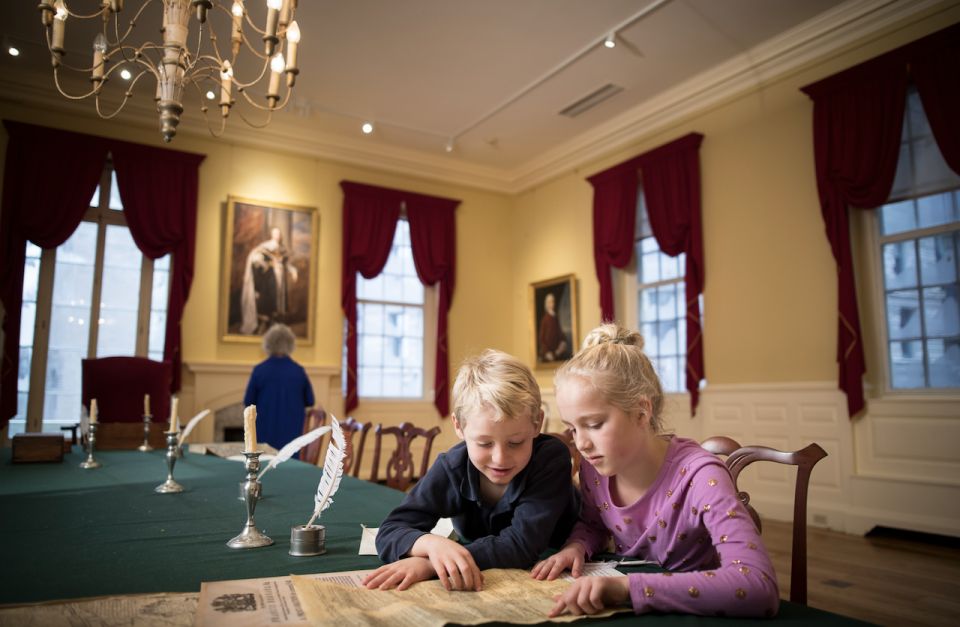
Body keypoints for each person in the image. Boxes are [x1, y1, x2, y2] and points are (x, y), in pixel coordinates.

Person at [531, 323, 780, 618]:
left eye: (595, 424)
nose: (581, 443)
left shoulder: (701, 476)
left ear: (641, 411)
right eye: (572, 428)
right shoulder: (594, 469)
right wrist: (576, 546)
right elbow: (594, 523)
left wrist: (626, 589)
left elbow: (757, 585)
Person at [363, 349, 581, 592]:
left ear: (536, 423)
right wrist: (433, 546)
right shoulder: (451, 466)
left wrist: (430, 566)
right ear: (459, 426)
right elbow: (391, 530)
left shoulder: (550, 458)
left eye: (516, 442)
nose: (500, 458)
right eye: (484, 443)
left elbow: (522, 545)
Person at [242, 324, 315, 454]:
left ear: (268, 344)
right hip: (292, 438)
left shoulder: (259, 370)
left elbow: (248, 401)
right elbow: (310, 400)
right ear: (291, 344)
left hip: (264, 435)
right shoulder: (298, 371)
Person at [240, 226, 299, 335]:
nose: (277, 236)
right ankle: (267, 324)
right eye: (275, 233)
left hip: (281, 278)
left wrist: (293, 271)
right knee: (270, 300)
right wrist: (264, 264)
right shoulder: (265, 247)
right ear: (272, 235)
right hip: (269, 278)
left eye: (279, 234)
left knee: (280, 301)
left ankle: (277, 323)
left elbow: (286, 263)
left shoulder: (282, 249)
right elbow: (256, 258)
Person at [538, 292, 569, 361]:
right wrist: (546, 352)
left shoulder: (555, 317)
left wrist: (563, 342)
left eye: (552, 301)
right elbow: (542, 338)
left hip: (556, 351)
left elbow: (559, 332)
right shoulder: (545, 319)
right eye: (549, 302)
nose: (551, 304)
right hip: (548, 352)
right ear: (546, 304)